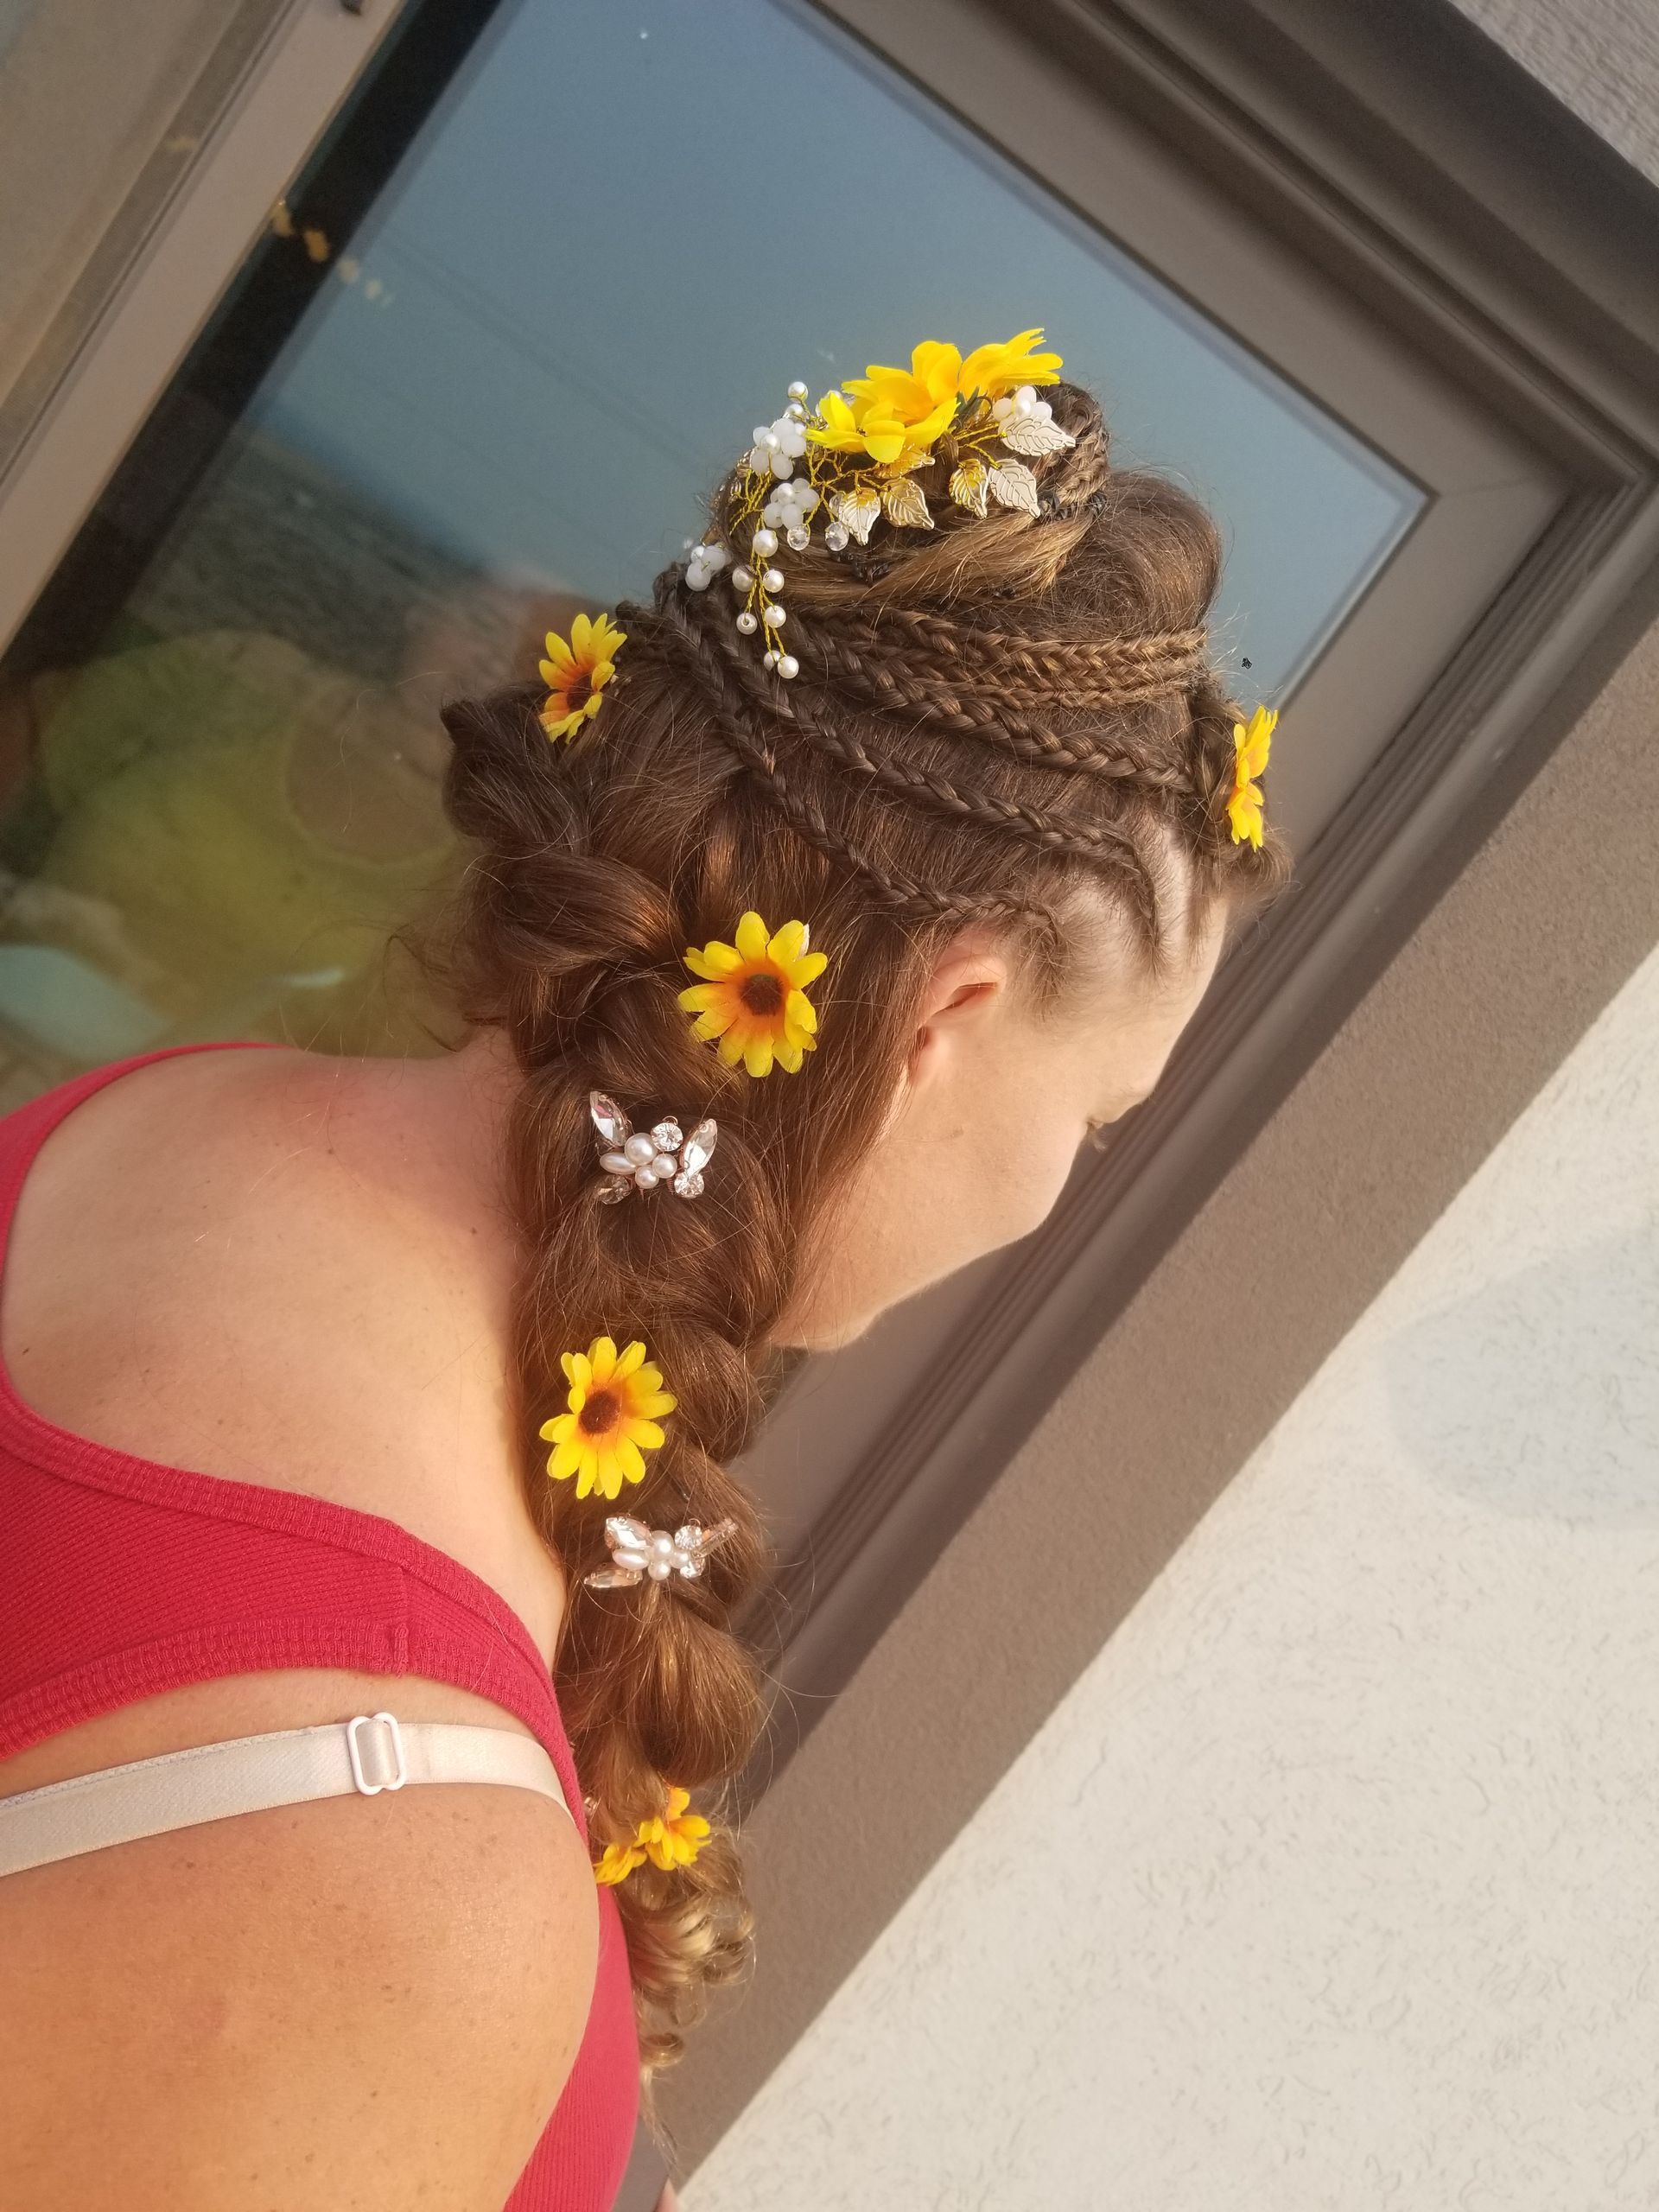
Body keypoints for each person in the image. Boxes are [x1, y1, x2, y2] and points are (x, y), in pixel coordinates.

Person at [0, 332, 1289, 2210]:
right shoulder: (399, 1857)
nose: (1057, 1185)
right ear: (944, 1021)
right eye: (1096, 1118)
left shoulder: (162, 1124)